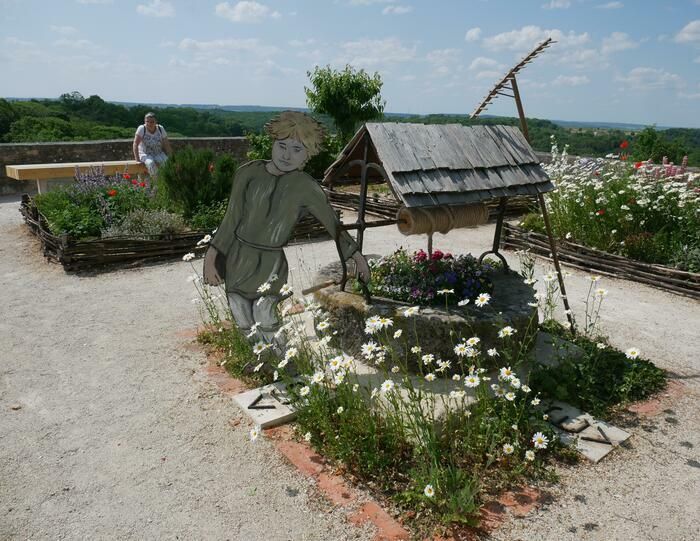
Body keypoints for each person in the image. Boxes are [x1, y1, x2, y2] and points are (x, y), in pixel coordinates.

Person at [203, 111, 370, 349]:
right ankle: (260, 361)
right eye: (282, 146)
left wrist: (355, 255)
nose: (287, 155)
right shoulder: (248, 174)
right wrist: (211, 256)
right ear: (273, 142)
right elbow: (231, 220)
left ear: (307, 154)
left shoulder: (305, 186)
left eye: (297, 149)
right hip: (238, 260)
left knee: (265, 313)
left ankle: (282, 358)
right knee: (241, 315)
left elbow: (333, 224)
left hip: (271, 263)